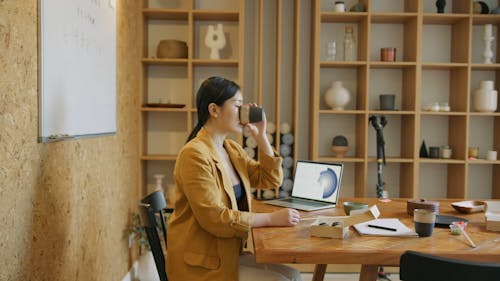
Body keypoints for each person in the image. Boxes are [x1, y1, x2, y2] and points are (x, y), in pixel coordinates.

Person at [166, 76, 302, 281]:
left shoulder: (231, 149)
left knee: (294, 275)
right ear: (214, 110)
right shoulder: (194, 154)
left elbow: (270, 180)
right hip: (202, 263)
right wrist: (271, 219)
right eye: (237, 105)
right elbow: (215, 218)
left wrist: (262, 138)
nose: (243, 112)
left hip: (225, 253)